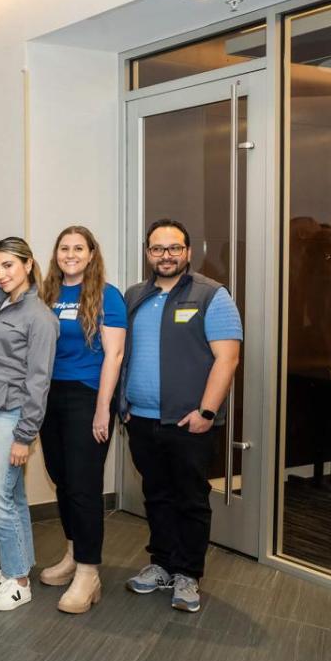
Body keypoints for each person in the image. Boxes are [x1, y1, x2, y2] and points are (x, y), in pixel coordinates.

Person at [121, 219, 241, 613]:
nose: (166, 255)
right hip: (141, 419)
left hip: (190, 421)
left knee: (190, 498)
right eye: (157, 249)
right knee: (155, 495)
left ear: (188, 252)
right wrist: (122, 406)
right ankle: (162, 564)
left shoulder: (212, 295)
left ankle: (188, 573)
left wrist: (207, 410)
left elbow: (228, 358)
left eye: (174, 248)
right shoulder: (134, 295)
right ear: (148, 253)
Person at [0, 237, 58, 612]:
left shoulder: (40, 317)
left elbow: (39, 382)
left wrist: (25, 435)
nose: (1, 274)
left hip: (12, 415)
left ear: (28, 265)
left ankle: (19, 583)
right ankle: (12, 568)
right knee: (13, 496)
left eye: (9, 266)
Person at [37, 226, 126, 613]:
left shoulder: (108, 296)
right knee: (61, 478)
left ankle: (89, 573)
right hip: (48, 395)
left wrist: (103, 407)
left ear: (91, 254)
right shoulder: (47, 295)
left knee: (85, 485)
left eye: (78, 248)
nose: (70, 254)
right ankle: (74, 552)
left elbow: (115, 355)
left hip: (87, 394)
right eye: (64, 247)